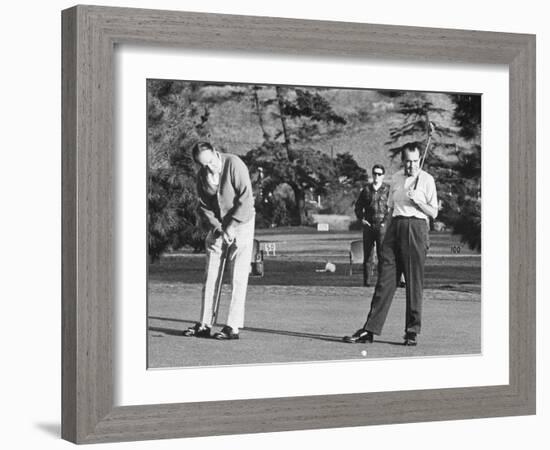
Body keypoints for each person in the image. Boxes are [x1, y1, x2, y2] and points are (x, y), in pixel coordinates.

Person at [344, 146, 438, 346]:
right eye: (407, 161)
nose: (411, 165)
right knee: (385, 281)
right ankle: (369, 330)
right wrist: (387, 230)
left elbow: (434, 212)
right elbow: (390, 207)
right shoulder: (396, 178)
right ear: (402, 161)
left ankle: (411, 331)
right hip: (395, 227)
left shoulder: (427, 180)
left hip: (416, 228)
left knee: (413, 282)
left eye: (414, 161)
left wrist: (419, 201)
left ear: (419, 159)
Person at [182, 141, 255, 340]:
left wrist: (232, 226)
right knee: (211, 273)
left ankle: (232, 326)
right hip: (219, 226)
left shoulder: (234, 163)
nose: (209, 166)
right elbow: (204, 206)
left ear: (215, 152)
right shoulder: (202, 175)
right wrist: (218, 228)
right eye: (203, 164)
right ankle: (205, 323)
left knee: (238, 276)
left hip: (242, 222)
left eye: (211, 161)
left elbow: (246, 199)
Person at [354, 164, 391, 286]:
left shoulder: (387, 190)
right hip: (369, 226)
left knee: (382, 255)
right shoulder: (366, 190)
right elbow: (358, 206)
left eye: (379, 174)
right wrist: (362, 219)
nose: (376, 176)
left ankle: (382, 281)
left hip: (382, 227)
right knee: (368, 256)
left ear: (383, 176)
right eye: (375, 173)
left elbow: (391, 208)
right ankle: (367, 282)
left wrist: (385, 222)